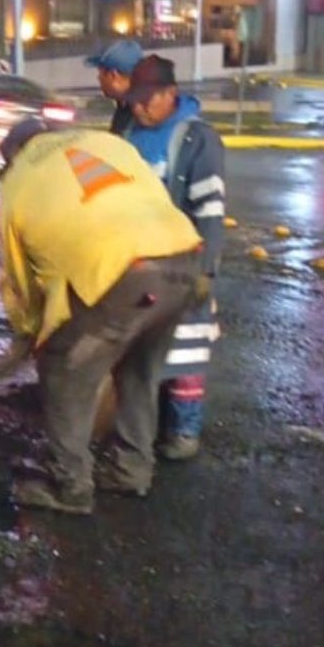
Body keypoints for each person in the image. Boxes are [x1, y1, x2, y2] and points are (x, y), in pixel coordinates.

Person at [0, 119, 204, 515]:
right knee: (139, 371)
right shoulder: (105, 142)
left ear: (13, 156)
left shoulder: (17, 181)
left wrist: (31, 333)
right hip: (183, 257)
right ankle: (132, 470)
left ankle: (70, 485)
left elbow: (19, 283)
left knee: (63, 369)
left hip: (118, 272)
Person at [122, 55, 226, 462]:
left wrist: (205, 271)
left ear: (171, 93)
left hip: (182, 263)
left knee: (185, 349)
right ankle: (144, 427)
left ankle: (184, 430)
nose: (139, 107)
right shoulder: (128, 133)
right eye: (135, 99)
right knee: (140, 347)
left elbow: (210, 211)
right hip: (136, 263)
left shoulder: (197, 139)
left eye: (148, 99)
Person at [84, 39, 143, 136]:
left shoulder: (142, 112)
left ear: (113, 75)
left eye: (100, 72)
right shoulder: (125, 107)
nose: (98, 78)